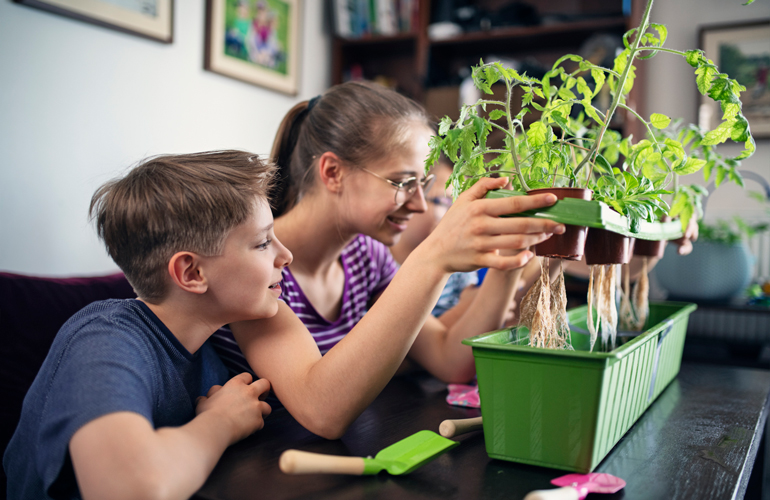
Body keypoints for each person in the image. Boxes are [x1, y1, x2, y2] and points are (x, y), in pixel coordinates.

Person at [212, 82, 565, 438]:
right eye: (403, 182)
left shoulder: (367, 258)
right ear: (333, 172)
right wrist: (434, 256)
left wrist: (511, 256)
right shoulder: (255, 263)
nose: (420, 205)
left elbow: (449, 359)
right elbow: (321, 411)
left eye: (423, 184)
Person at [4, 151, 280, 500]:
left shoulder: (212, 347)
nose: (285, 257)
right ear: (192, 273)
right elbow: (129, 488)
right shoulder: (104, 338)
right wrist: (221, 423)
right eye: (263, 242)